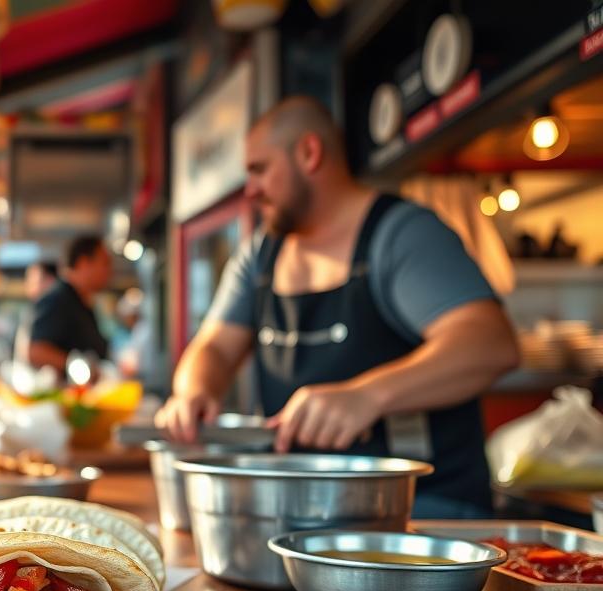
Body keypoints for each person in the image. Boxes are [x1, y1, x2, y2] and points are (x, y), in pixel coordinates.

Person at [155, 96, 520, 519]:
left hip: (422, 512)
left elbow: (490, 343)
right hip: (302, 510)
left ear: (309, 153)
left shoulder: (401, 235)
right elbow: (214, 346)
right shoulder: (260, 257)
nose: (250, 190)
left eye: (259, 169)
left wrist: (368, 395)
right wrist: (194, 391)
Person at [28, 235, 114, 373]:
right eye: (105, 263)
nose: (110, 271)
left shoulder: (83, 303)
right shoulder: (58, 299)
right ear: (84, 262)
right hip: (63, 392)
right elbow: (37, 352)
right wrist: (78, 366)